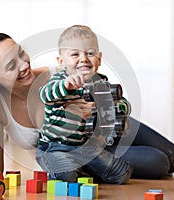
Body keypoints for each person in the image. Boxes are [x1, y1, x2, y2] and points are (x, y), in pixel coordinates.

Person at [0, 29, 174, 180]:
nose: (24, 65)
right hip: (87, 153)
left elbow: (103, 87)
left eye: (21, 54)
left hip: (109, 127)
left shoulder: (58, 76)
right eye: (11, 65)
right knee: (160, 163)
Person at [36, 25, 133, 184]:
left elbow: (124, 105)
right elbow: (44, 94)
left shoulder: (101, 83)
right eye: (75, 54)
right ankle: (64, 168)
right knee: (66, 175)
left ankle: (82, 169)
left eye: (90, 53)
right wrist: (66, 85)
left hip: (87, 148)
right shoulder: (60, 80)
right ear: (61, 62)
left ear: (99, 58)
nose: (84, 59)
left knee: (122, 173)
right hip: (55, 147)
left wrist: (110, 106)